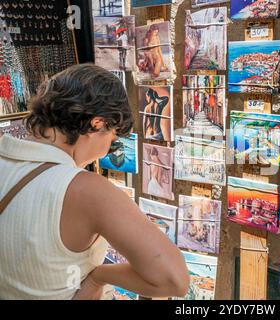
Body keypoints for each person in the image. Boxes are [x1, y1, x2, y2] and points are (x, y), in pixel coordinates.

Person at [0, 64, 189, 300]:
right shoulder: (84, 189)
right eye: (113, 137)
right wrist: (100, 276)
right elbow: (173, 279)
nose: (108, 149)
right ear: (96, 124)